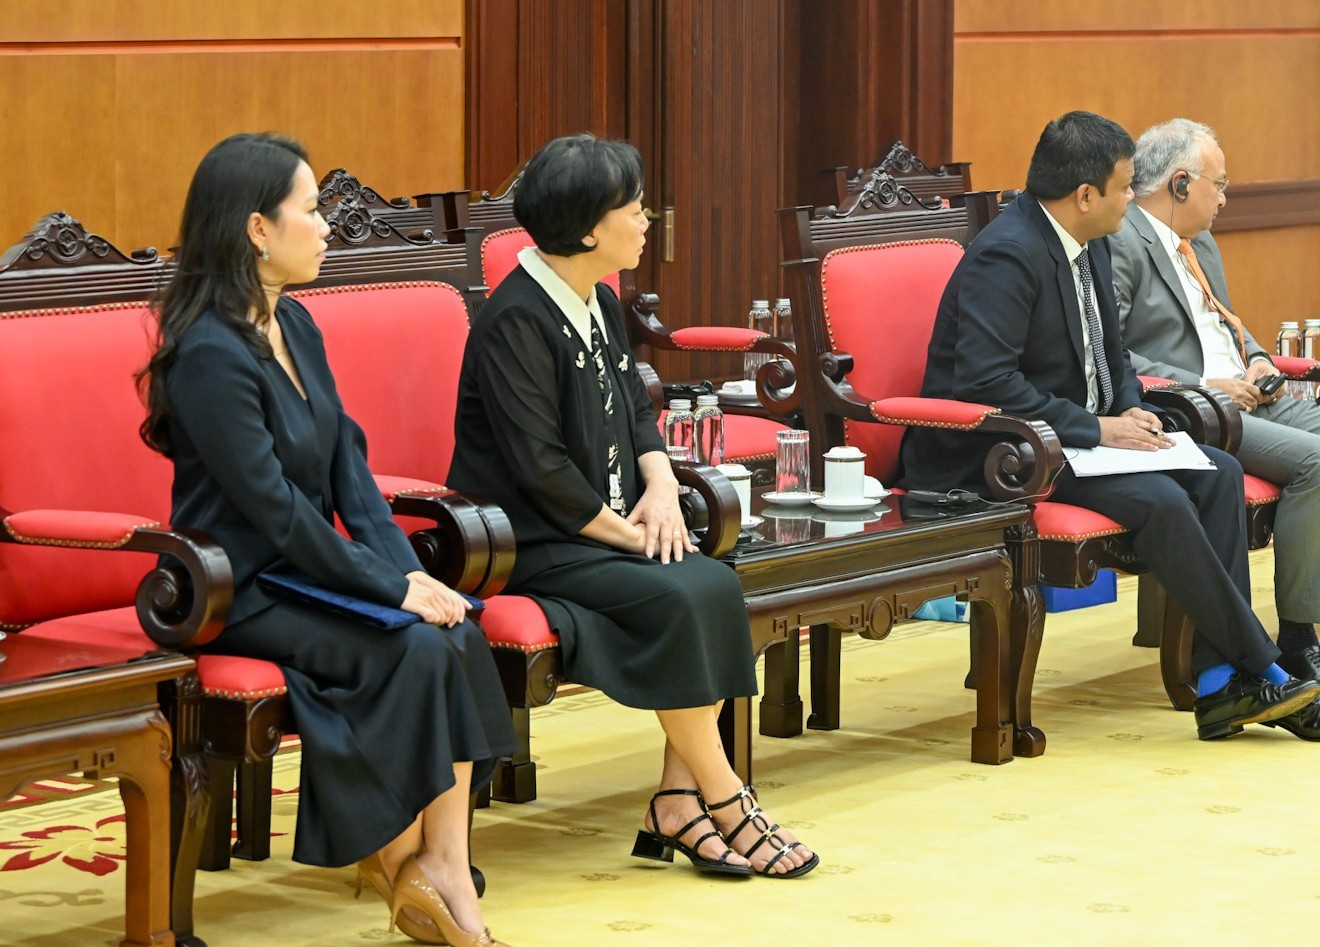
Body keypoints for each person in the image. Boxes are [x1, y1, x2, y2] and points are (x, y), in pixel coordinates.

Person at [140, 134, 516, 947]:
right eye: (309, 210)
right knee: (413, 646)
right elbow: (275, 511)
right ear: (255, 230)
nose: (325, 227)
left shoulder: (297, 323)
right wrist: (387, 588)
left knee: (457, 625)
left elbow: (352, 471)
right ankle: (405, 863)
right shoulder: (209, 352)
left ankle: (441, 864)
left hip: (308, 571)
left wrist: (406, 574)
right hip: (239, 588)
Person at [901, 111, 1320, 742]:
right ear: (1085, 194)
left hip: (1074, 441)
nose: (1133, 197)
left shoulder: (1090, 240)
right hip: (1000, 453)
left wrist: (1128, 407)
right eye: (1126, 187)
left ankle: (1217, 687)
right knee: (1162, 499)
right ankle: (1266, 672)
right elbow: (986, 385)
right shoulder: (1008, 255)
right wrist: (1097, 428)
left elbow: (1112, 355)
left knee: (1219, 473)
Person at [448, 134, 816, 878]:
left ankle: (676, 800)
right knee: (681, 591)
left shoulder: (599, 299)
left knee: (715, 579)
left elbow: (639, 409)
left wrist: (657, 484)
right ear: (588, 228)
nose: (649, 220)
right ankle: (725, 795)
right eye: (635, 208)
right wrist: (633, 535)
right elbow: (541, 469)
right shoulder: (517, 320)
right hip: (531, 542)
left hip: (600, 526)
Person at [1109, 120, 1320, 700]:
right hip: (1196, 410)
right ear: (1181, 183)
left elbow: (1224, 324)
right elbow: (1110, 349)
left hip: (1253, 397)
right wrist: (1204, 383)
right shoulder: (1120, 241)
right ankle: (1298, 638)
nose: (1225, 196)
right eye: (1219, 183)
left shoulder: (1200, 242)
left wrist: (1261, 359)